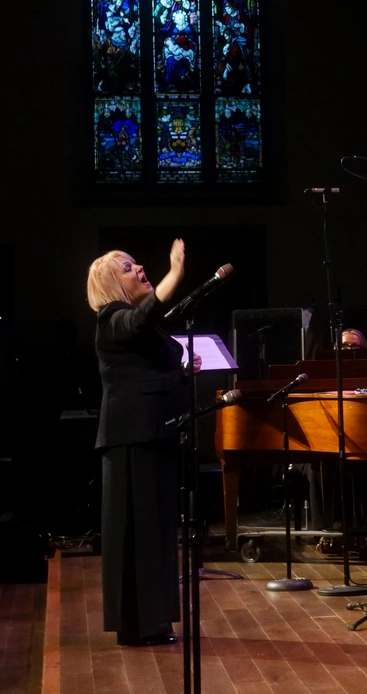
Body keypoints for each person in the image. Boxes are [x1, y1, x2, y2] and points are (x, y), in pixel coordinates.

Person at [88, 240, 195, 647]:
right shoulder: (111, 317)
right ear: (113, 283)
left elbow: (146, 374)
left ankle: (151, 621)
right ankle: (139, 625)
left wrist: (183, 375)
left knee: (156, 531)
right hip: (132, 438)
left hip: (153, 433)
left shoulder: (136, 324)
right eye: (129, 268)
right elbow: (138, 323)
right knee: (138, 532)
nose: (139, 269)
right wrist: (175, 275)